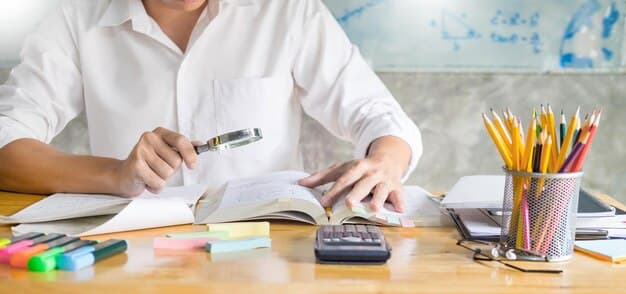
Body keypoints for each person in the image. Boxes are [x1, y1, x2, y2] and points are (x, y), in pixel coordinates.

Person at [0, 0, 422, 212]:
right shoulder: (75, 18)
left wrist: (385, 161)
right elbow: (7, 143)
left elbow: (379, 116)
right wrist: (116, 174)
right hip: (130, 258)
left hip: (266, 257)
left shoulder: (286, 11)